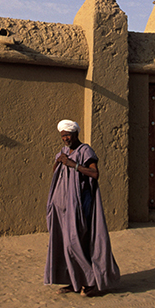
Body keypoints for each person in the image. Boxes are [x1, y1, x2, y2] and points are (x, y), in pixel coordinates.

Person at [44, 119, 120, 296]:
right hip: (62, 208)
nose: (65, 139)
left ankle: (91, 281)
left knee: (75, 242)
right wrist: (59, 161)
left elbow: (95, 173)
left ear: (76, 134)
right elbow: (56, 171)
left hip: (81, 206)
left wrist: (74, 165)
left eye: (68, 135)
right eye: (63, 136)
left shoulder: (85, 150)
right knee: (64, 243)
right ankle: (74, 281)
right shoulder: (63, 151)